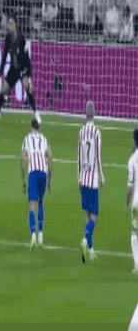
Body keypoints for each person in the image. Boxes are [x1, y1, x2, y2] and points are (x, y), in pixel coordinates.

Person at [0, 17, 41, 123]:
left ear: (15, 25)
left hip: (23, 67)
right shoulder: (8, 39)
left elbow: (26, 58)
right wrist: (0, 73)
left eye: (11, 23)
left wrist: (29, 76)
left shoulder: (21, 38)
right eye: (8, 23)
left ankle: (35, 112)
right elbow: (4, 56)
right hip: (14, 69)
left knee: (27, 86)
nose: (9, 25)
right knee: (3, 89)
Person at [79, 101, 105, 263]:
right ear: (94, 114)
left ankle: (90, 249)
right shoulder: (96, 132)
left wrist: (78, 177)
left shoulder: (81, 131)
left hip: (83, 178)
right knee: (94, 215)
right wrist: (102, 176)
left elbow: (79, 155)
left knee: (87, 214)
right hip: (93, 178)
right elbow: (97, 156)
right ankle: (85, 239)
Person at [21, 119, 53, 249]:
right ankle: (41, 236)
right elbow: (50, 156)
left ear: (31, 127)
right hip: (43, 173)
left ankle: (33, 234)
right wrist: (49, 179)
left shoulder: (27, 139)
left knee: (31, 205)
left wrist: (23, 179)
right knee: (40, 202)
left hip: (33, 173)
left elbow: (23, 158)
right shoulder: (44, 139)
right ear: (39, 128)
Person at [127, 129, 138, 274]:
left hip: (136, 202)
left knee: (135, 232)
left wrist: (127, 202)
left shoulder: (132, 160)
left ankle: (137, 264)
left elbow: (130, 187)